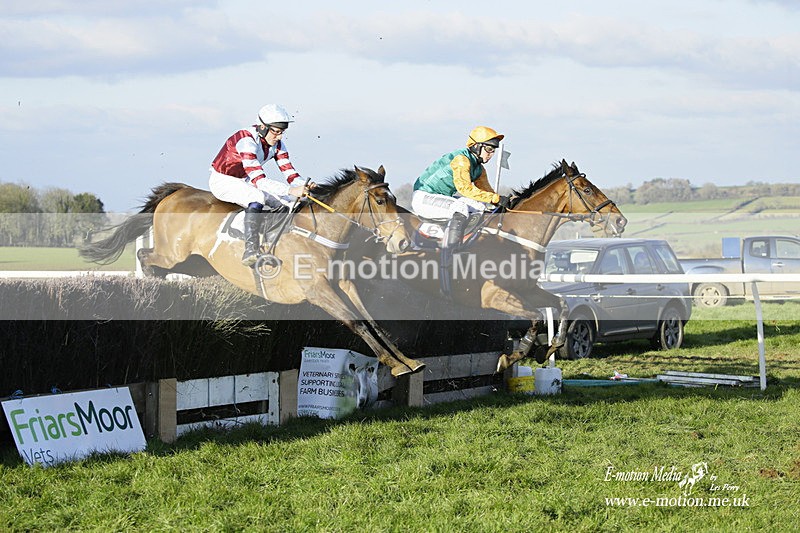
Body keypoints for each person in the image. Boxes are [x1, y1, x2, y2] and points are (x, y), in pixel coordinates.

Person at [209, 104, 314, 267]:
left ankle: (272, 238)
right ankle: (250, 249)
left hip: (244, 179)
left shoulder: (278, 145)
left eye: (282, 132)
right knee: (257, 196)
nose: (279, 137)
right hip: (223, 180)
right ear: (263, 127)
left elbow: (290, 173)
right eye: (276, 132)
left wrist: (305, 186)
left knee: (287, 202)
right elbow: (260, 181)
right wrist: (292, 189)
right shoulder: (246, 140)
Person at [411, 126, 511, 257]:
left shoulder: (479, 168)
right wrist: (495, 199)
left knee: (479, 207)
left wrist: (503, 202)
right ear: (476, 146)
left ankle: (458, 239)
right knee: (461, 208)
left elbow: (487, 192)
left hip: (440, 199)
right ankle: (449, 252)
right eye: (489, 149)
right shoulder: (461, 160)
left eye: (493, 150)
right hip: (423, 197)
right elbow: (465, 189)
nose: (491, 154)